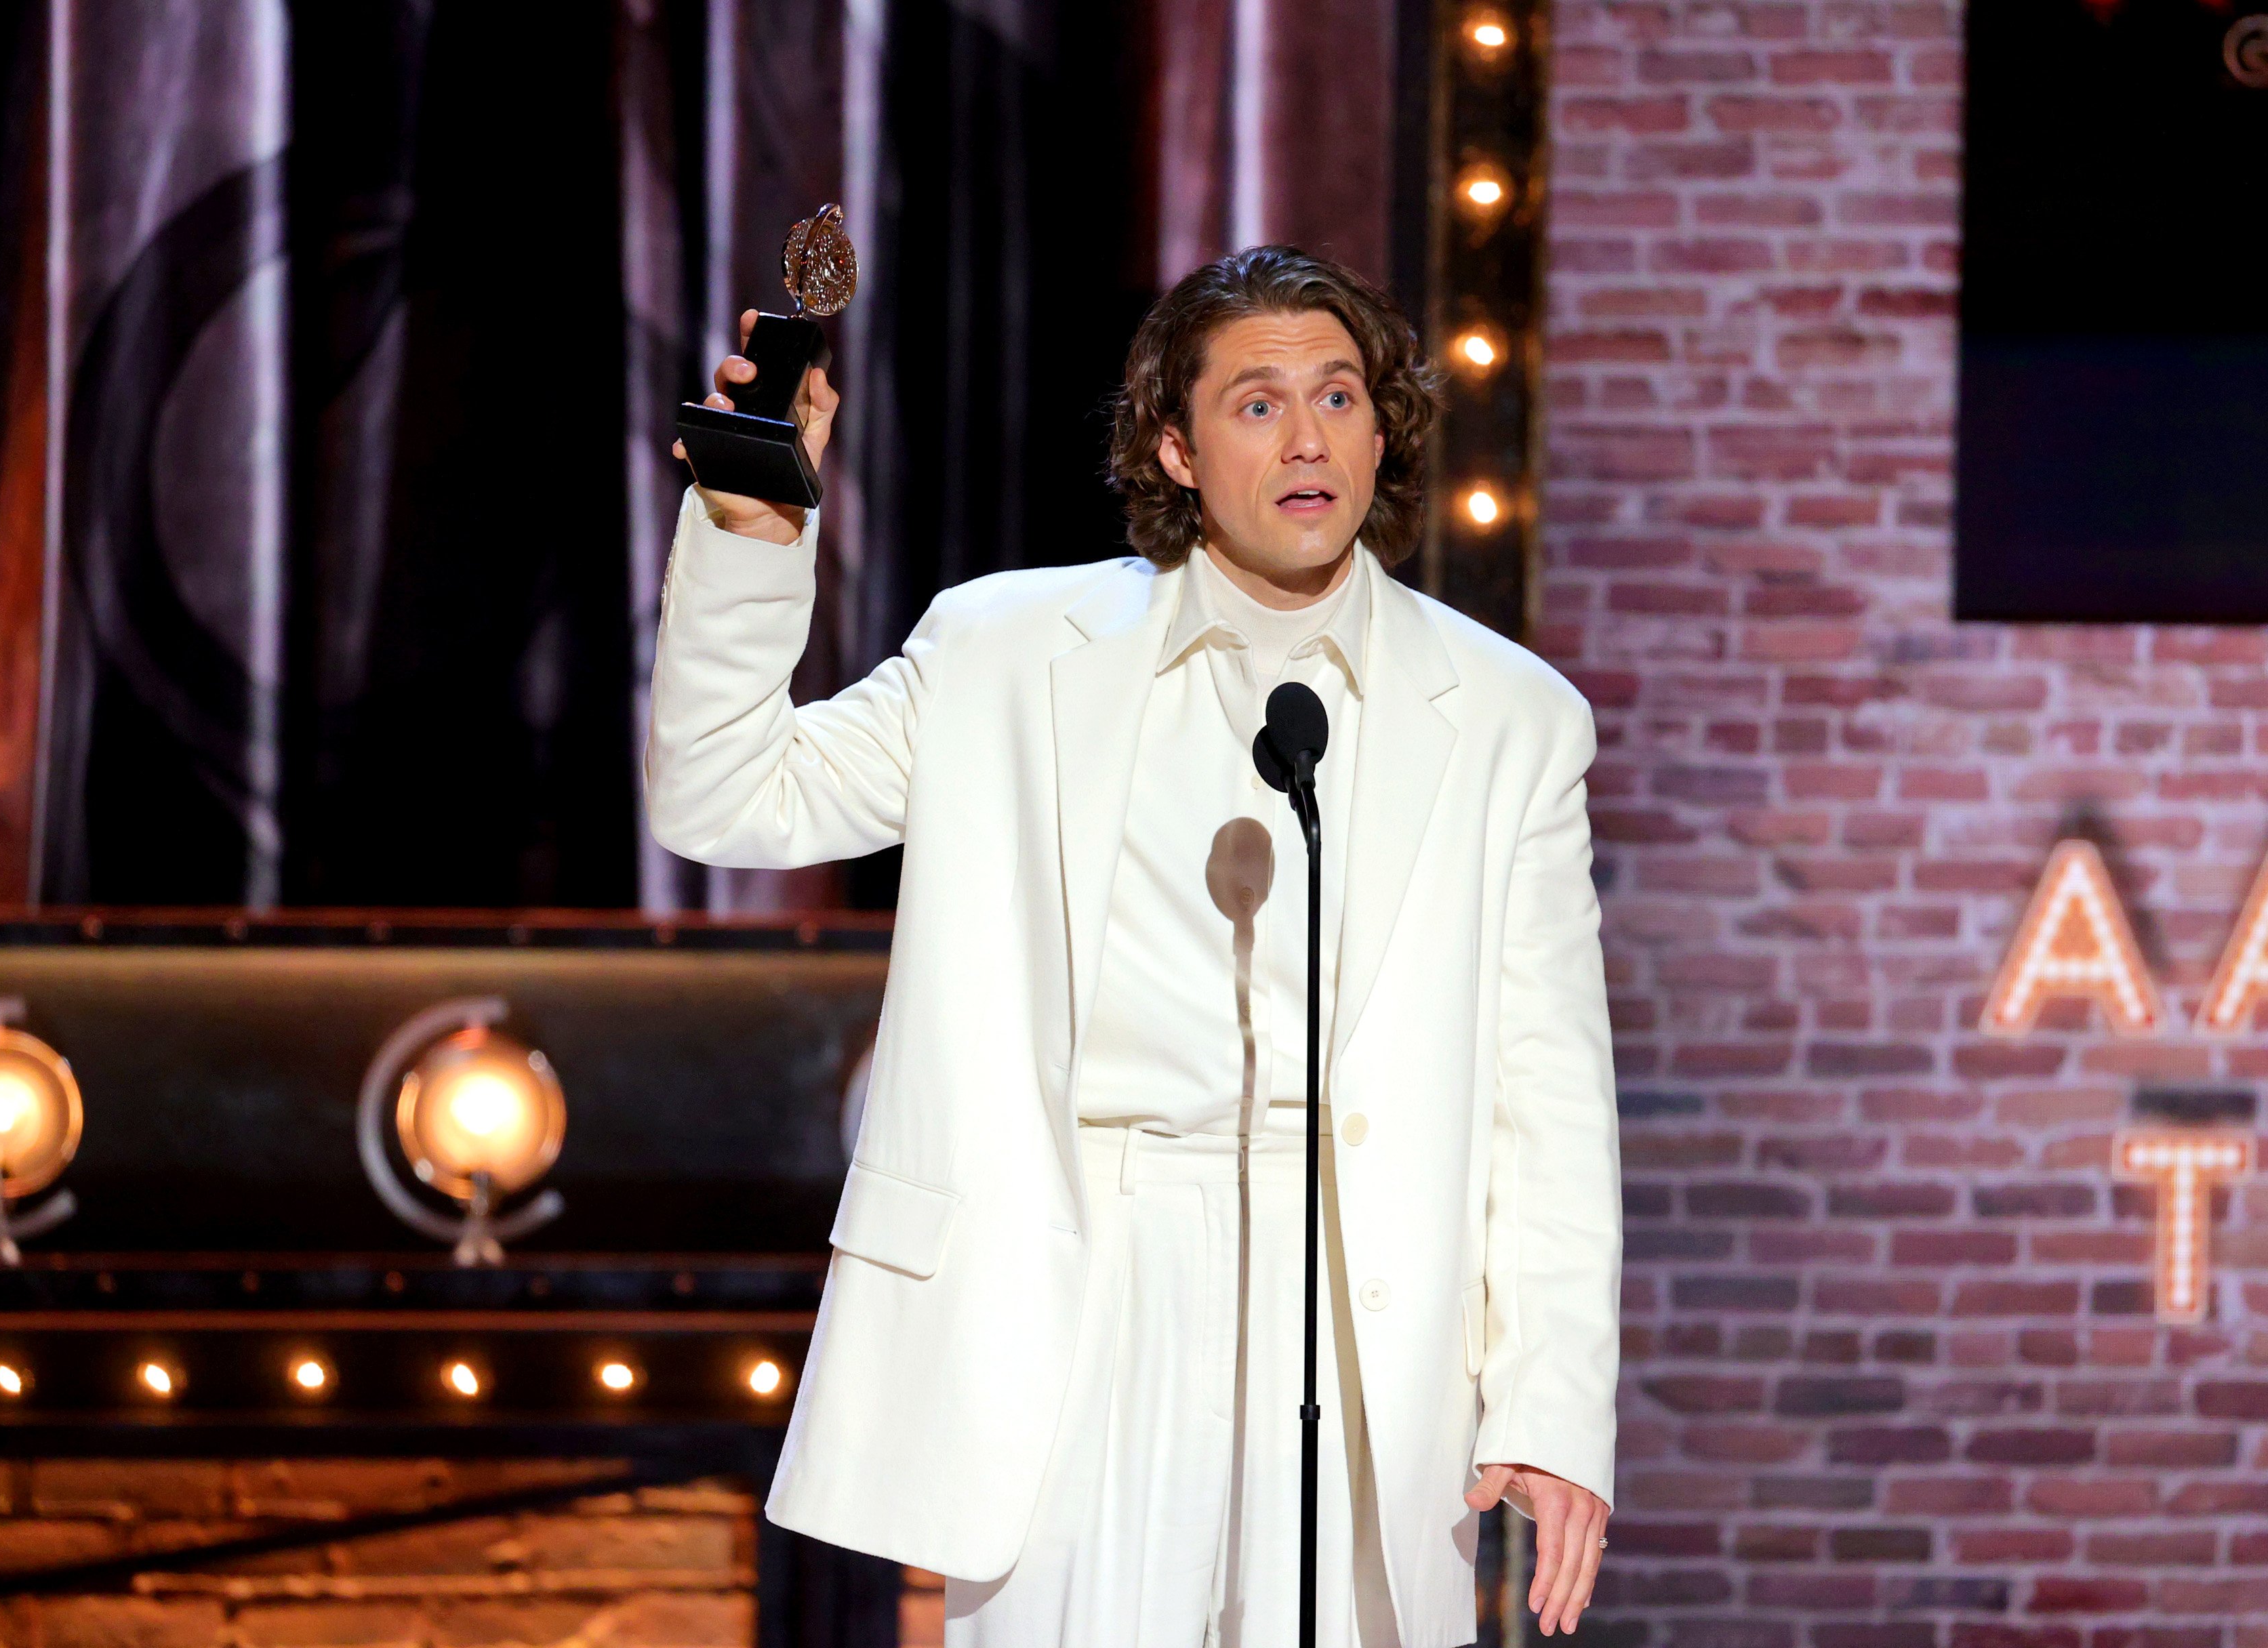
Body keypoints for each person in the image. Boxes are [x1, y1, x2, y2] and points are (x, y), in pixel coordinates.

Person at [645, 245, 1618, 1645]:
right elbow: (729, 792)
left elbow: (1551, 1096)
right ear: (1175, 443)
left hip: (1356, 1301)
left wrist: (1551, 1397)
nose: (1308, 437)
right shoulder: (1004, 652)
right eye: (1260, 402)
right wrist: (750, 528)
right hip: (1074, 1278)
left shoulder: (1512, 718)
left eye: (1340, 398)